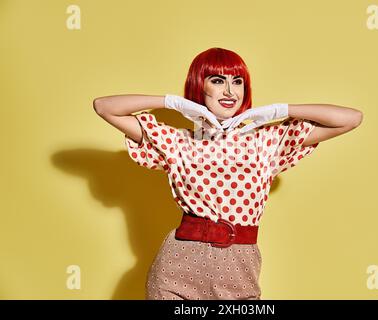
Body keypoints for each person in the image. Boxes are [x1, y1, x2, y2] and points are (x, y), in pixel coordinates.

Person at [93, 47, 363, 300]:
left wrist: (280, 110)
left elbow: (350, 118)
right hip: (176, 272)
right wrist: (174, 103)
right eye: (217, 80)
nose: (230, 90)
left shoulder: (267, 141)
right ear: (200, 86)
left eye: (238, 81)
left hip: (239, 272)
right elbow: (104, 106)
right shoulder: (175, 141)